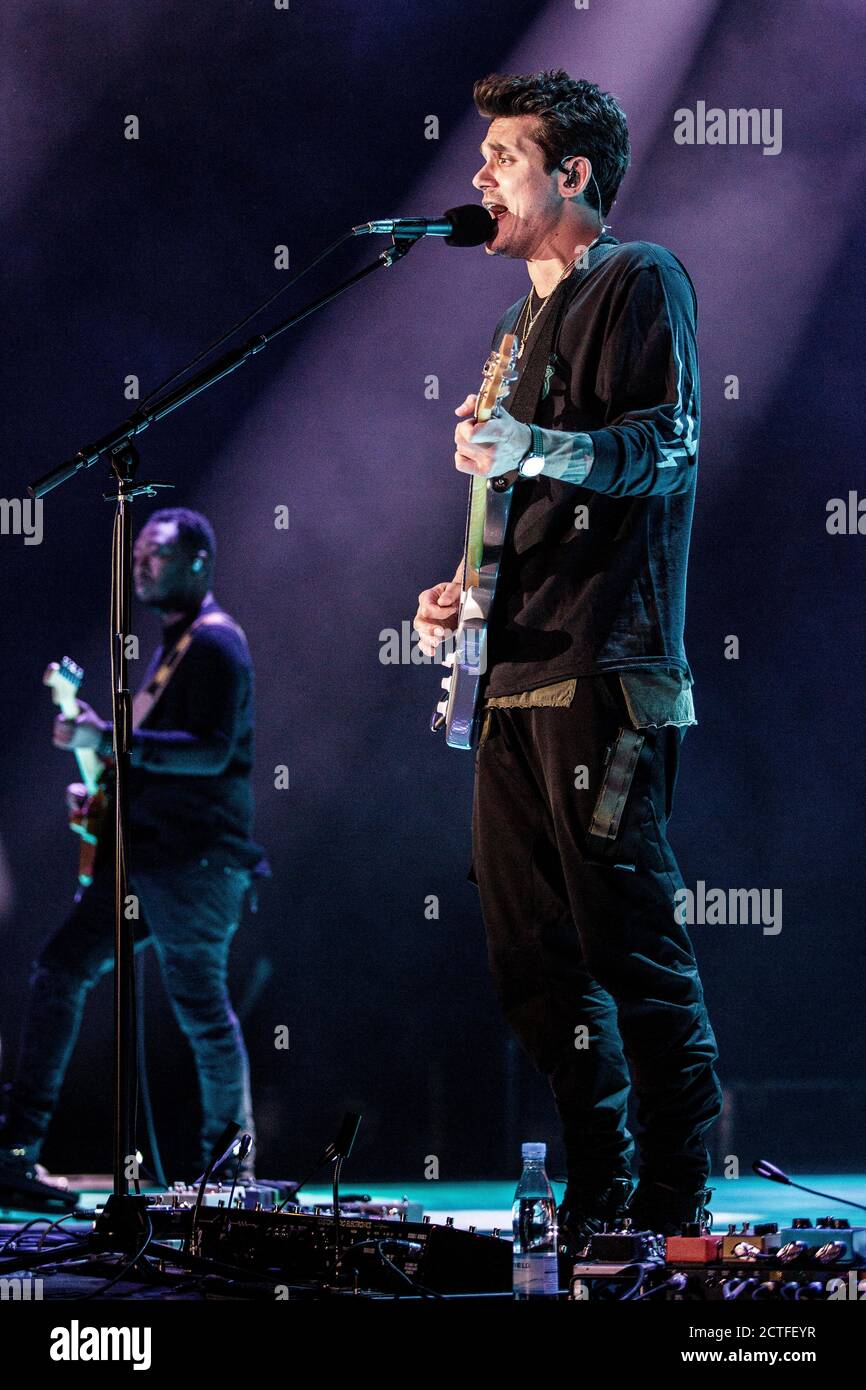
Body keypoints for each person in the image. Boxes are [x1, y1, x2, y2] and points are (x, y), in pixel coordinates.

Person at [413, 70, 723, 1245]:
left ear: (571, 173)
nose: (478, 176)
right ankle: (597, 1192)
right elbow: (527, 508)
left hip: (607, 667)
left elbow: (664, 448)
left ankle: (675, 1198)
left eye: (501, 155)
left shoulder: (640, 277)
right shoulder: (508, 331)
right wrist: (466, 593)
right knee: (533, 961)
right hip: (512, 675)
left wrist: (534, 442)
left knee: (627, 941)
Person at [0, 508, 266, 1205]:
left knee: (200, 1008)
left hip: (193, 862)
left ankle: (228, 1174)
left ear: (199, 561)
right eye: (139, 554)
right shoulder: (176, 648)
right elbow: (152, 757)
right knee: (61, 971)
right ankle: (17, 1148)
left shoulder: (215, 646)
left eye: (156, 555)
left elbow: (212, 751)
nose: (141, 565)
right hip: (149, 859)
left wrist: (113, 738)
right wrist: (103, 771)